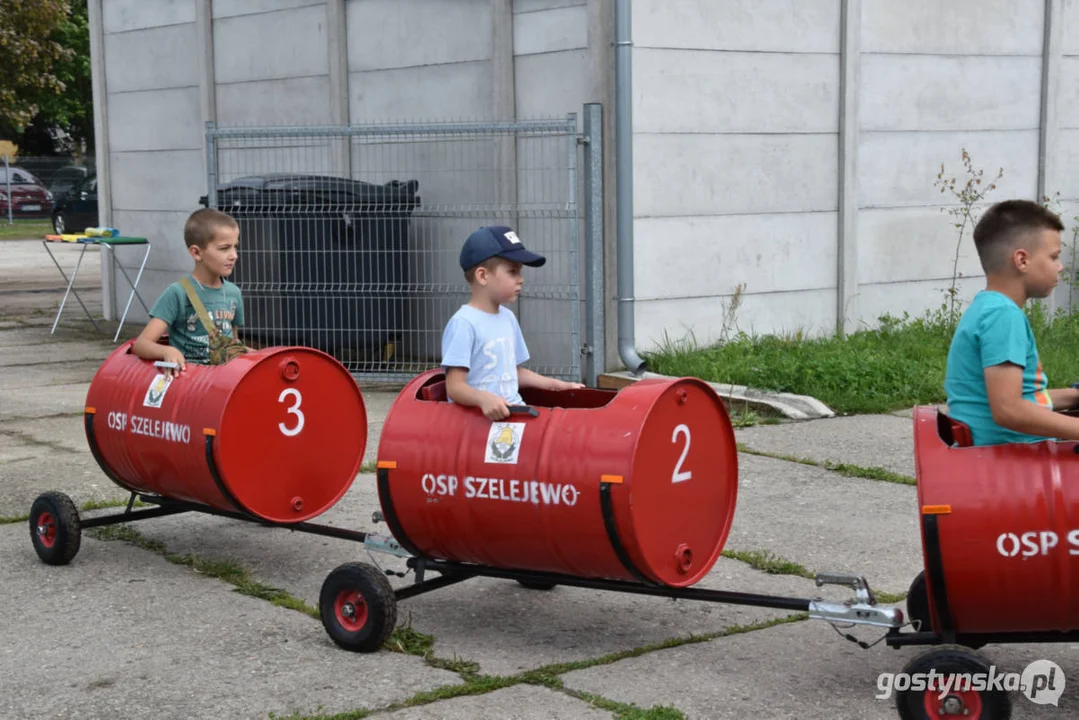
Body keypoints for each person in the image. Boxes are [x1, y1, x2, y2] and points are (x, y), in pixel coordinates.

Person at [944, 199, 1079, 445]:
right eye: (1053, 257)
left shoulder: (987, 308)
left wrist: (1073, 396)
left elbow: (1021, 397)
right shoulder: (1003, 316)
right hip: (1012, 467)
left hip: (995, 457)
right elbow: (1009, 409)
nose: (1060, 267)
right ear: (1022, 260)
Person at [441, 225, 584, 420]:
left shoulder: (507, 318)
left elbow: (512, 373)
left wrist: (557, 385)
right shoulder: (463, 324)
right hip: (479, 423)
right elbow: (455, 387)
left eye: (520, 272)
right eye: (512, 272)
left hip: (515, 415)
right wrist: (483, 399)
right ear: (483, 276)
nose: (521, 279)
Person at [131, 208, 246, 375]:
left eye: (235, 247)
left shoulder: (233, 293)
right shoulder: (178, 293)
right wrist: (168, 351)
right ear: (197, 253)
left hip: (225, 381)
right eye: (224, 248)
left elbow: (233, 343)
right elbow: (141, 344)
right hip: (191, 381)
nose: (234, 255)